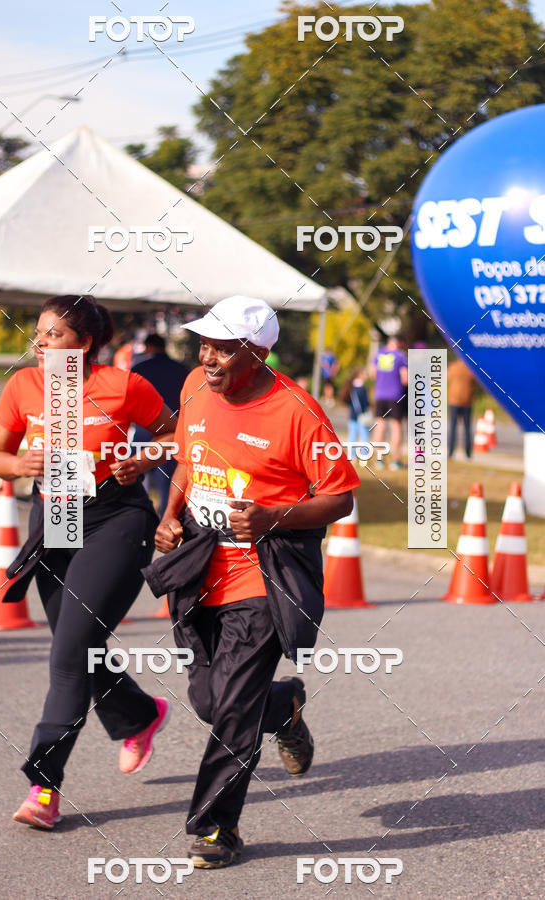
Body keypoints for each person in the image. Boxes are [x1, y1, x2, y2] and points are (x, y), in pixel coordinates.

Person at [146, 295, 360, 868]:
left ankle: (216, 828)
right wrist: (170, 517)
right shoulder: (195, 385)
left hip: (261, 575)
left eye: (222, 346)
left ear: (258, 352)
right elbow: (191, 459)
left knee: (233, 709)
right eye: (204, 344)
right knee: (210, 700)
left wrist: (274, 517)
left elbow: (339, 496)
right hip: (197, 566)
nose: (207, 356)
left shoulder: (296, 411)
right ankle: (283, 705)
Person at [0, 295, 177, 831]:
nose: (40, 343)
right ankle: (140, 714)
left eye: (53, 335)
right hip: (55, 518)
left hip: (115, 519)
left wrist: (144, 457)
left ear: (85, 343)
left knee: (70, 653)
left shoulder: (123, 386)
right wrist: (17, 462)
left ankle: (43, 788)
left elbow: (178, 436)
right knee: (78, 645)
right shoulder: (24, 386)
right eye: (39, 333)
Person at [131, 333, 190, 514]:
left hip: (144, 428)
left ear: (148, 347)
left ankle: (138, 513)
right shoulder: (182, 369)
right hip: (174, 428)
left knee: (134, 473)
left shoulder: (139, 368)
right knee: (168, 478)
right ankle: (166, 515)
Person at [369, 335, 408, 470]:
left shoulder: (378, 354)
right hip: (395, 395)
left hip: (380, 394)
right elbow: (405, 378)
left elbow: (373, 374)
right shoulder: (400, 356)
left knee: (380, 424)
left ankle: (379, 459)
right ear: (397, 343)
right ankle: (395, 460)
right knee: (396, 426)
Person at [340, 368, 371, 464]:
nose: (366, 376)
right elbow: (365, 404)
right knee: (364, 437)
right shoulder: (362, 388)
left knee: (352, 437)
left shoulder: (350, 387)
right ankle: (364, 457)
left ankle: (351, 457)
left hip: (352, 416)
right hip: (362, 417)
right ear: (360, 375)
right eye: (365, 374)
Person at [447, 357, 476, 458]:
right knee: (467, 428)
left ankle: (451, 452)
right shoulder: (471, 368)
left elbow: (446, 378)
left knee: (453, 427)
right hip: (467, 401)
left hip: (454, 400)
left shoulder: (453, 367)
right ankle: (468, 453)